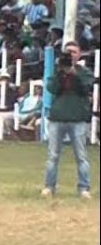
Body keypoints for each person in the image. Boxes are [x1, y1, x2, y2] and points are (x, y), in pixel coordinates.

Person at [42, 41, 94, 199]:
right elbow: (51, 88)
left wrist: (73, 74)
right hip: (58, 117)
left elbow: (86, 88)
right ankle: (49, 186)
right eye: (68, 52)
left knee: (81, 156)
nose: (71, 55)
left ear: (79, 54)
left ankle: (84, 187)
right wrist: (61, 73)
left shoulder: (84, 72)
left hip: (77, 118)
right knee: (53, 155)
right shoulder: (57, 72)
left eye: (73, 52)